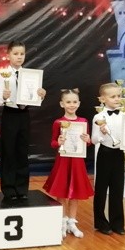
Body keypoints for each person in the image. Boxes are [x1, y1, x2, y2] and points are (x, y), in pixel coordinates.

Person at [0, 40, 46, 201]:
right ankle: (8, 189)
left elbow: (34, 97)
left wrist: (40, 95)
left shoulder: (29, 75)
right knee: (9, 151)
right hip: (10, 114)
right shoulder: (3, 74)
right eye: (15, 53)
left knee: (22, 151)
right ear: (8, 55)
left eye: (22, 54)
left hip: (24, 114)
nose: (19, 57)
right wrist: (3, 97)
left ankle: (22, 188)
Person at [43, 89, 94, 238]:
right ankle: (62, 221)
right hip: (63, 160)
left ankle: (72, 222)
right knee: (62, 191)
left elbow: (87, 143)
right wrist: (58, 142)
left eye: (74, 102)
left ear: (79, 103)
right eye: (68, 102)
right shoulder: (58, 122)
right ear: (62, 104)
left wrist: (88, 140)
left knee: (75, 192)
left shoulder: (83, 121)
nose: (72, 105)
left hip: (77, 161)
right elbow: (53, 142)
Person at [91, 82, 125, 235]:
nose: (117, 99)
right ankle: (100, 222)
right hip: (105, 153)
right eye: (113, 97)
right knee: (101, 188)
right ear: (102, 99)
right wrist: (101, 133)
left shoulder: (124, 116)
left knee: (118, 188)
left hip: (119, 153)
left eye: (119, 96)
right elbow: (93, 140)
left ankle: (117, 223)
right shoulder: (98, 117)